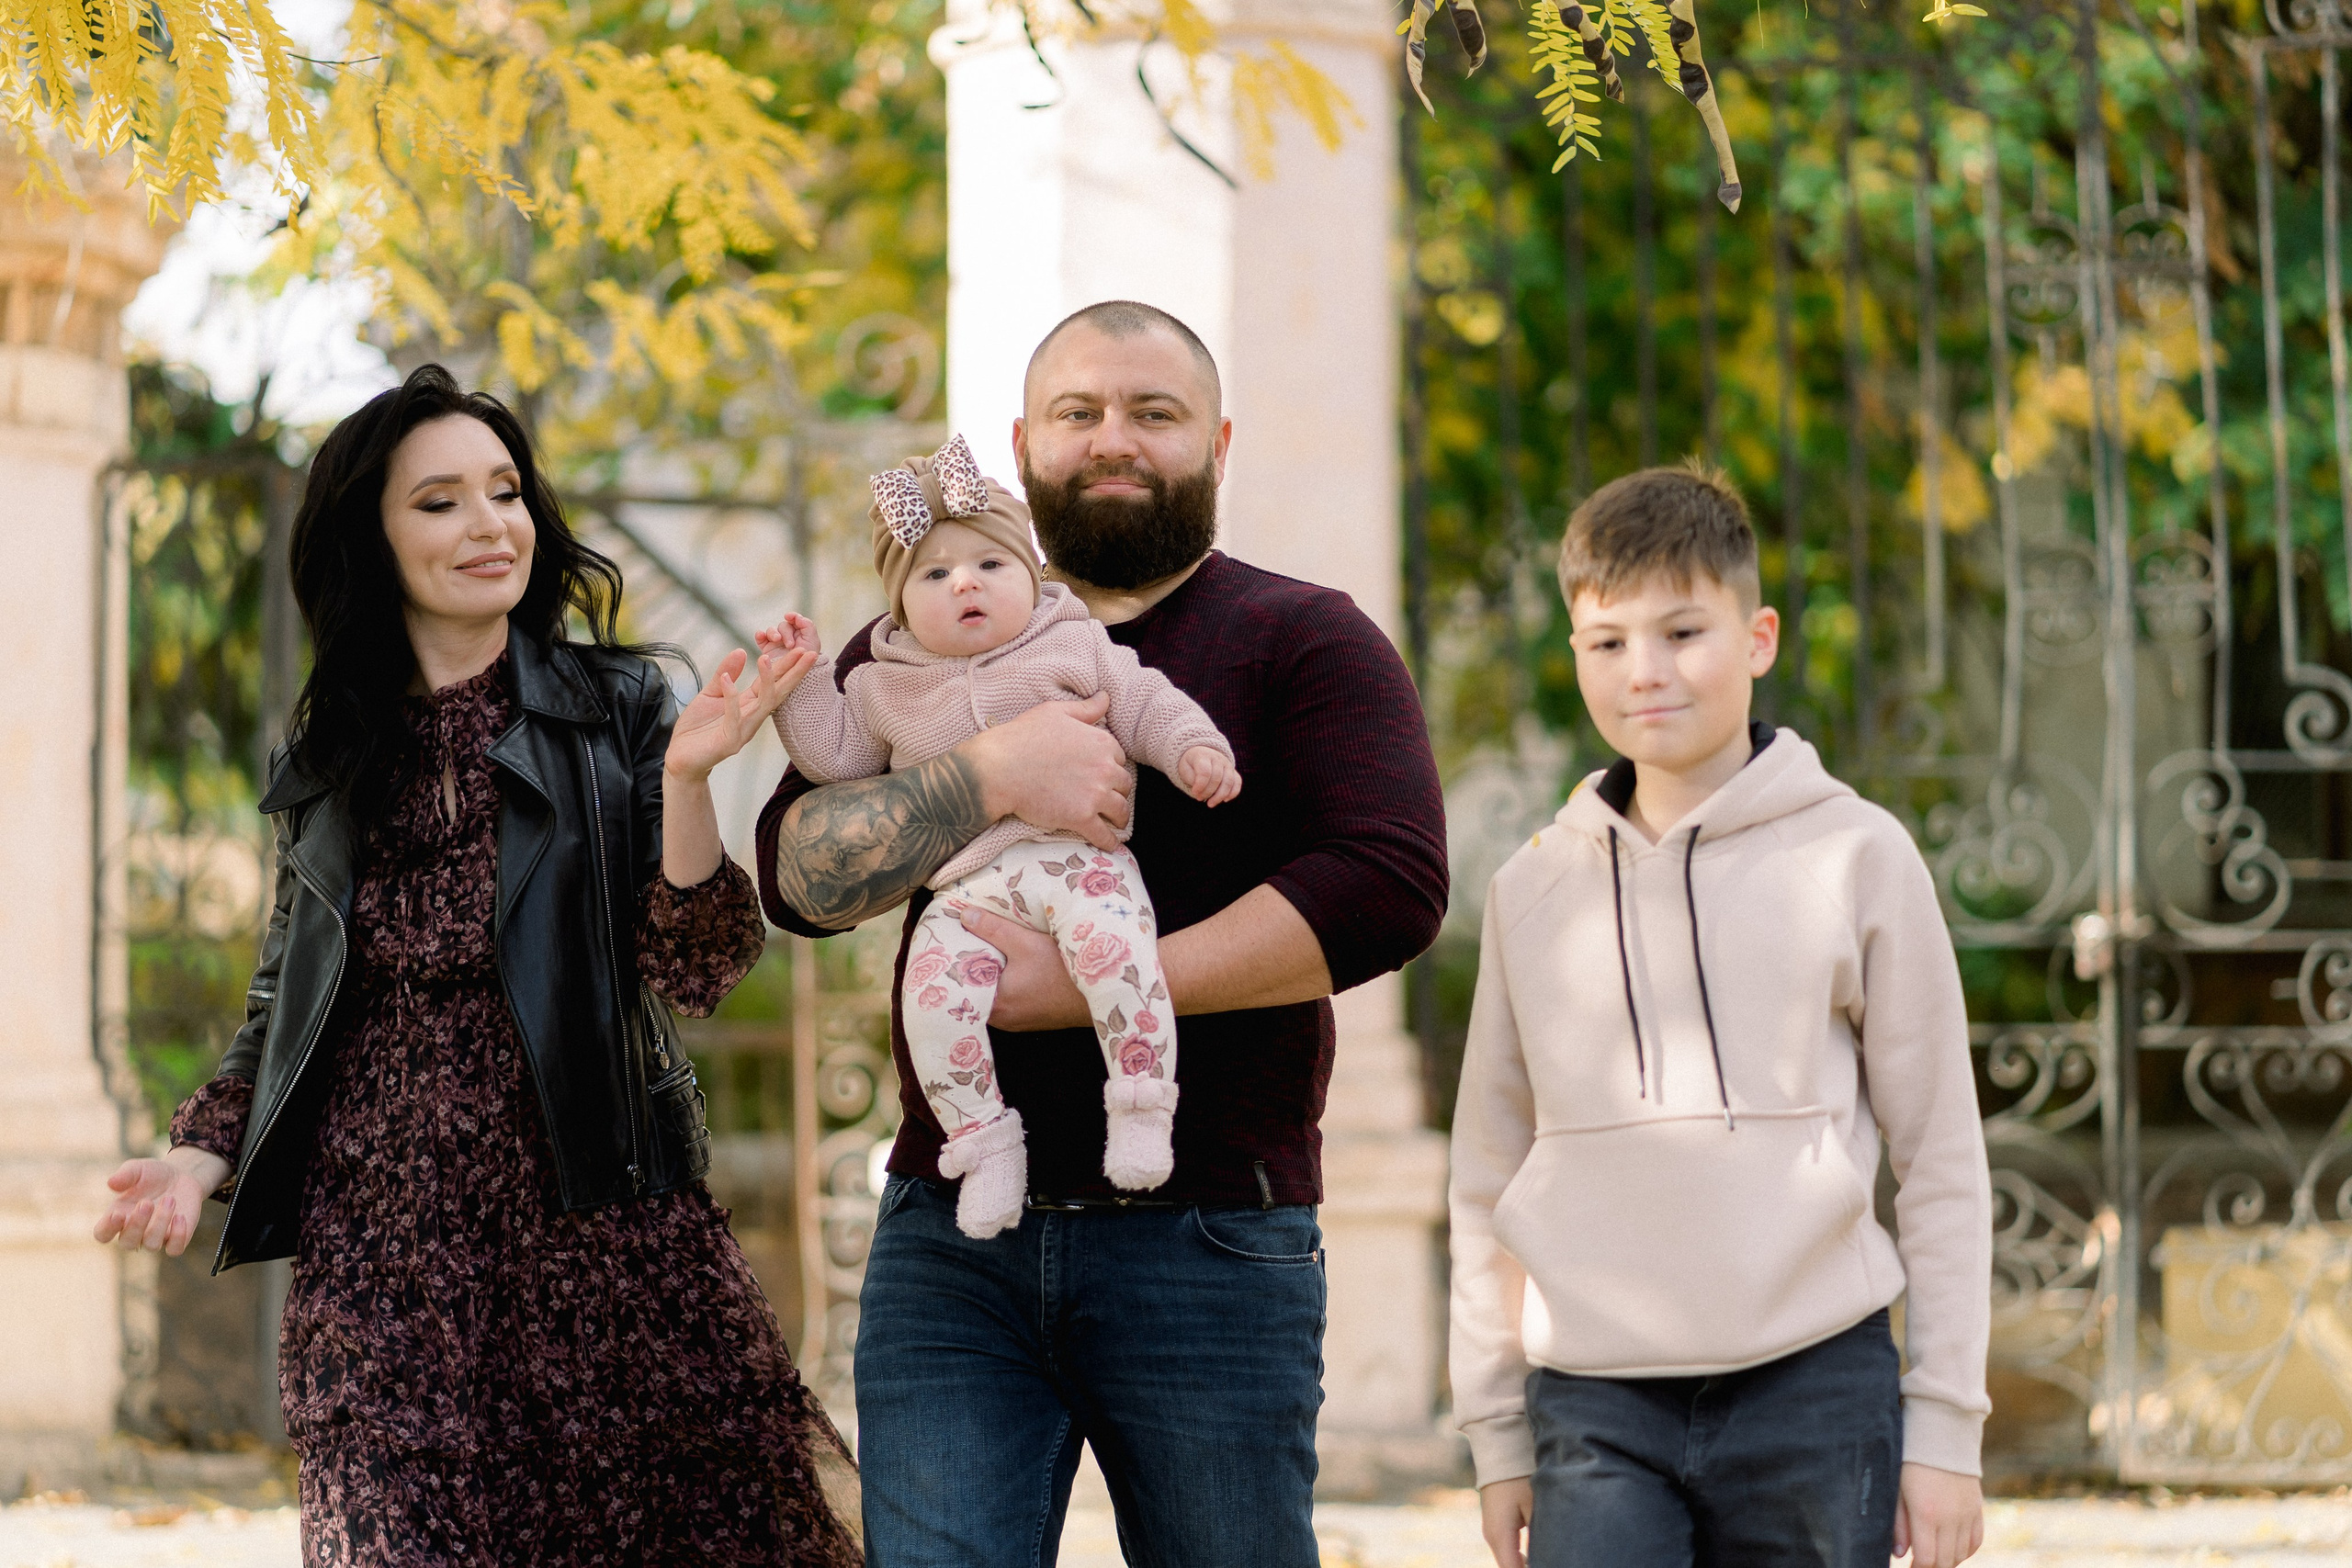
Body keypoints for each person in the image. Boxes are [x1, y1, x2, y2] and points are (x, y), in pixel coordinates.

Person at [91, 365, 861, 1566]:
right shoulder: (332, 752)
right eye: (439, 500)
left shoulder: (618, 706)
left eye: (505, 491)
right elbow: (279, 998)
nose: (490, 523)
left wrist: (692, 778)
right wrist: (199, 1151)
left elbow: (700, 957)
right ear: (372, 535)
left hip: (602, 1252)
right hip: (386, 1279)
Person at [754, 300, 1449, 1564]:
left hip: (1210, 1231)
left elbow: (1388, 882)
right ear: (1024, 443)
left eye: (1155, 412)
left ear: (1220, 442)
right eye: (1079, 413)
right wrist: (988, 773)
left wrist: (1095, 989)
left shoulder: (1304, 637)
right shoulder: (911, 642)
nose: (1112, 439)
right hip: (952, 1230)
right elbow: (799, 876)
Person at [1448, 462, 1991, 1568]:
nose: (1643, 671)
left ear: (1759, 638)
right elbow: (1484, 1175)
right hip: (1594, 1403)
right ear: (1576, 658)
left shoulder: (1857, 856)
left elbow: (1941, 1157)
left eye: (1682, 632)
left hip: (1814, 1383)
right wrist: (1496, 1427)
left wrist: (1946, 1431)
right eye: (1607, 642)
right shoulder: (1530, 890)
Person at [754, 430, 1238, 1239]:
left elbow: (1147, 701)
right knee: (931, 1004)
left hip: (1076, 862)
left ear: (1032, 574)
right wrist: (794, 687)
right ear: (900, 603)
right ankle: (982, 1145)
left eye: (990, 566)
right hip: (966, 890)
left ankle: (1143, 1105)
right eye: (935, 575)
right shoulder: (881, 685)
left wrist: (1193, 750)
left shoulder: (1075, 643)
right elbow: (835, 760)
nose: (964, 584)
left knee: (1121, 957)